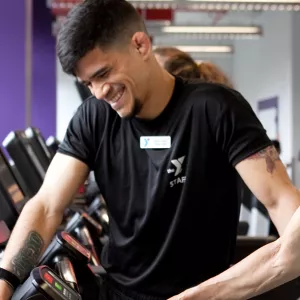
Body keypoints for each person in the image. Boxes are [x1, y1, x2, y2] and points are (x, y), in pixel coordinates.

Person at [0, 0, 300, 299]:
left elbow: (284, 212)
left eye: (103, 74)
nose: (99, 93)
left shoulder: (217, 109)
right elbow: (46, 205)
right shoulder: (94, 117)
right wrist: (5, 279)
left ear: (140, 45)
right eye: (88, 83)